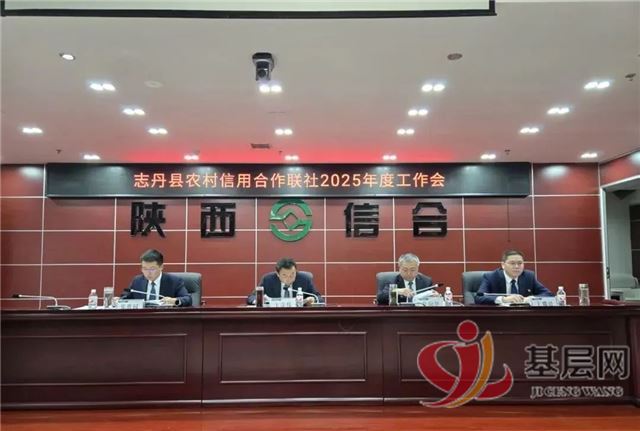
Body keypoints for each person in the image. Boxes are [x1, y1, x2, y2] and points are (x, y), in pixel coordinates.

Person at [475, 249, 553, 305]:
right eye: (512, 263)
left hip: (523, 316)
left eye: (520, 263)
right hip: (499, 316)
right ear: (503, 265)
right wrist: (504, 299)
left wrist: (531, 298)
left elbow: (548, 294)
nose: (516, 266)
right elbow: (479, 298)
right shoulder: (491, 277)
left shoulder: (528, 276)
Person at [121, 249, 192, 307]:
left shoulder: (174, 281)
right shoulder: (137, 281)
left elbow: (188, 299)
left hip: (165, 318)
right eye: (144, 269)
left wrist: (175, 301)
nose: (148, 273)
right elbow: (125, 298)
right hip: (142, 318)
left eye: (152, 269)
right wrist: (118, 300)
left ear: (161, 267)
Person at [247, 257, 322, 306]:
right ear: (277, 274)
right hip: (274, 316)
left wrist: (313, 300)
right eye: (284, 275)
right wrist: (258, 300)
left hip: (299, 316)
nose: (288, 278)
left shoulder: (304, 279)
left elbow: (319, 298)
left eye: (292, 274)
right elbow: (251, 297)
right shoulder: (268, 280)